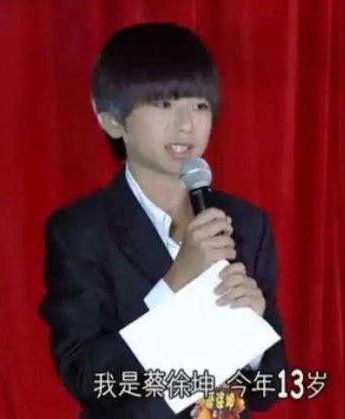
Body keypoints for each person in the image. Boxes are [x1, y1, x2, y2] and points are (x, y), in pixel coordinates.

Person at [40, 22, 287, 419]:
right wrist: (176, 283)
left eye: (199, 105)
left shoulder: (245, 223)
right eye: (163, 104)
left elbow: (267, 389)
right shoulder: (81, 231)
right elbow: (87, 376)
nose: (186, 124)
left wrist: (255, 332)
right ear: (111, 120)